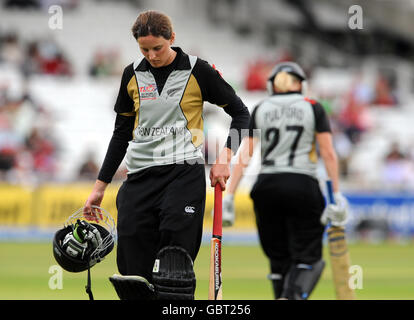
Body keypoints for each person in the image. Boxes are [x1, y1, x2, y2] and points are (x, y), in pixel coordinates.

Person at [83, 10, 250, 300]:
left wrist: (225, 157)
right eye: (144, 49)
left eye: (157, 48)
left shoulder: (199, 71)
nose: (152, 55)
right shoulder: (131, 74)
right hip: (138, 179)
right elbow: (121, 133)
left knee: (174, 270)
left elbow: (241, 113)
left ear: (172, 38)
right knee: (132, 276)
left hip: (182, 174)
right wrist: (100, 187)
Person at [221, 62, 348, 299]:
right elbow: (329, 153)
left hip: (266, 187)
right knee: (309, 259)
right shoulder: (313, 106)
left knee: (278, 259)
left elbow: (245, 155)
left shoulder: (261, 107)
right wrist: (336, 195)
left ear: (272, 86)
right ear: (301, 84)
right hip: (303, 185)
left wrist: (230, 195)